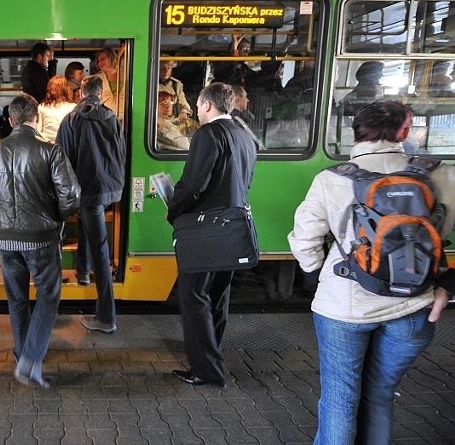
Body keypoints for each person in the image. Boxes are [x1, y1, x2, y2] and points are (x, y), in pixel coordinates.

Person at [288, 100, 455, 443]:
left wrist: (318, 271)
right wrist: (448, 283)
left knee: (340, 398)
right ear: (405, 132)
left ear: (355, 132)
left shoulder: (331, 179)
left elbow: (304, 239)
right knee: (379, 394)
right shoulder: (439, 173)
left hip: (344, 306)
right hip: (415, 305)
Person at [0, 93, 80, 389]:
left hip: (5, 241)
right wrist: (57, 218)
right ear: (37, 117)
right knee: (49, 294)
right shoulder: (50, 150)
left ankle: (22, 355)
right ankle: (30, 360)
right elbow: (71, 197)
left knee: (17, 299)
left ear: (9, 119)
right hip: (41, 239)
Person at [166, 82, 257, 388]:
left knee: (194, 297)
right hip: (233, 227)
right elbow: (245, 182)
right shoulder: (243, 135)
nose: (195, 110)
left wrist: (173, 209)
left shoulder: (208, 134)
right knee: (218, 294)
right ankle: (211, 353)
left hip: (207, 232)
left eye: (197, 105)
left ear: (206, 105)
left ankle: (205, 370)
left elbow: (194, 185)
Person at [57, 75, 125, 332]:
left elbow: (62, 162)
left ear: (81, 93)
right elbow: (120, 153)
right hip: (108, 190)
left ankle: (106, 318)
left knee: (101, 250)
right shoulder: (112, 118)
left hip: (85, 191)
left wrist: (64, 197)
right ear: (100, 93)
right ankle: (83, 272)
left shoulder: (72, 119)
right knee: (91, 228)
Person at [37, 75, 76, 142]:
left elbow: (38, 131)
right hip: (66, 145)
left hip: (47, 146)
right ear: (66, 89)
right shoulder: (73, 107)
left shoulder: (42, 107)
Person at [95, 47, 124, 118]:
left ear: (111, 57)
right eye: (98, 61)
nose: (100, 63)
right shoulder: (96, 78)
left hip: (127, 116)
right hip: (106, 118)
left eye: (102, 59)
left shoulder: (128, 74)